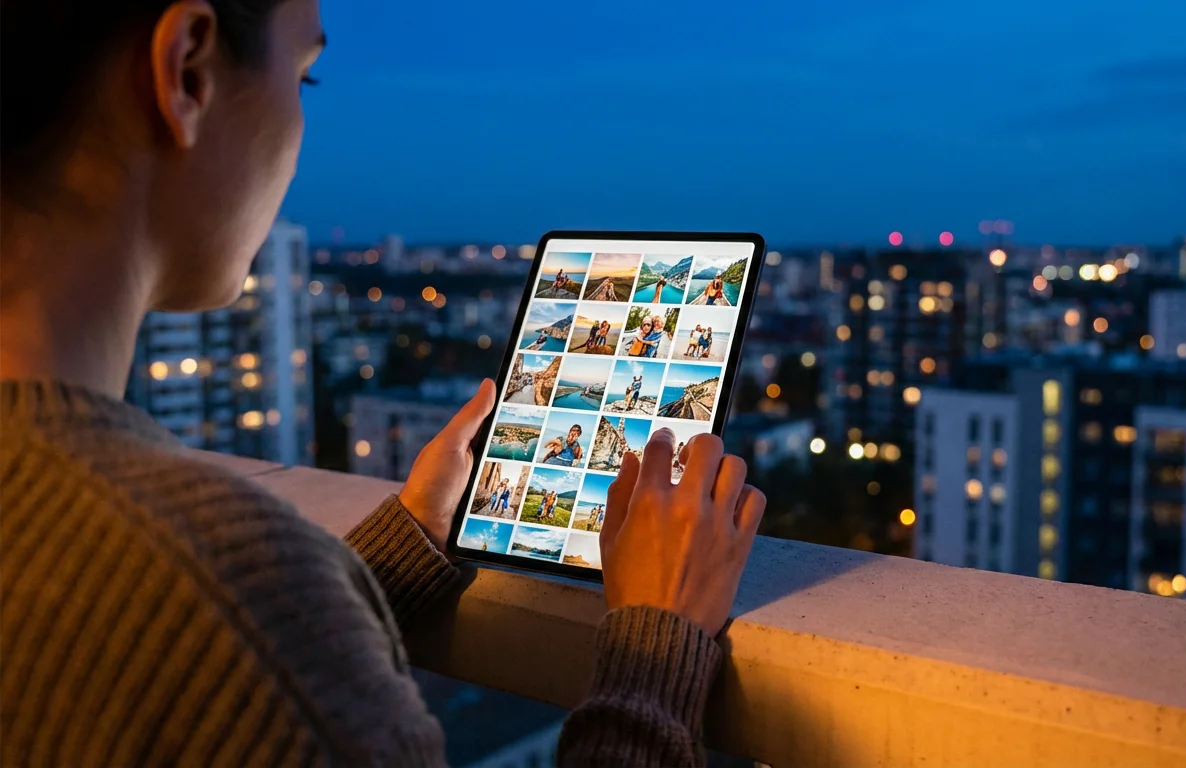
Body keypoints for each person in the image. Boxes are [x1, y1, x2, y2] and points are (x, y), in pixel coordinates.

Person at [0, 3, 767, 766]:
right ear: (188, 71)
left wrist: (406, 546)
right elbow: (246, 643)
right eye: (308, 75)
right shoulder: (217, 589)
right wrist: (656, 649)